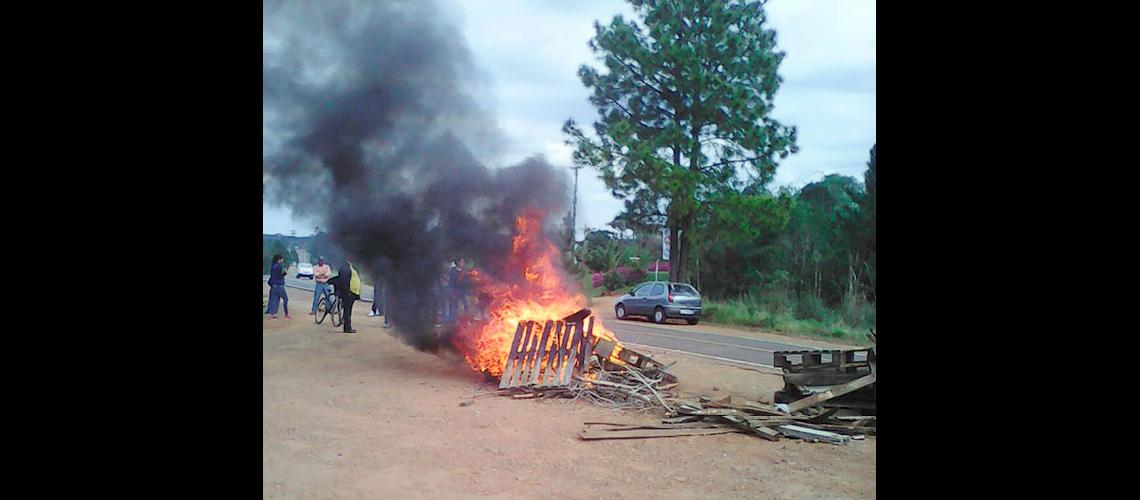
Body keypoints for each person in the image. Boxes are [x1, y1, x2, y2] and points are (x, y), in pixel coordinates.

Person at [338, 258, 362, 334]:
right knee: (347, 311)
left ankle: (347, 327)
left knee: (348, 310)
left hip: (352, 293)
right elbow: (344, 281)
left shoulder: (351, 266)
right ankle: (347, 328)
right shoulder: (345, 267)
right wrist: (347, 291)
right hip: (348, 293)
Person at [266, 254, 291, 319]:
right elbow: (280, 275)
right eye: (282, 259)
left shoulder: (273, 266)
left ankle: (273, 314)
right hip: (279, 286)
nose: (282, 260)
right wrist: (285, 272)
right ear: (279, 260)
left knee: (275, 300)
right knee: (285, 299)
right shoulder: (278, 267)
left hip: (274, 286)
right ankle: (286, 313)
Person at [448, 257, 469, 324]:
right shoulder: (452, 272)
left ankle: (465, 320)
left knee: (467, 306)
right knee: (455, 307)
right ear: (458, 262)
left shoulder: (464, 271)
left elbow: (467, 281)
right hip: (456, 291)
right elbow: (451, 283)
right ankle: (453, 322)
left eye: (463, 262)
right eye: (462, 262)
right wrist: (452, 293)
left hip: (463, 292)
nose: (463, 263)